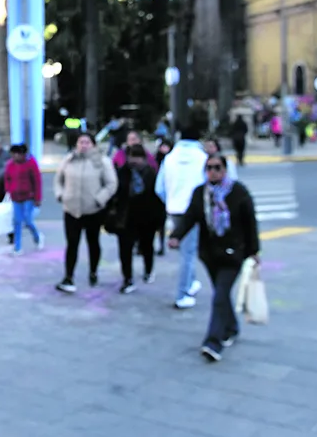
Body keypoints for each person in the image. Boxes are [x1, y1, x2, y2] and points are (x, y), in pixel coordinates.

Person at [168, 154, 260, 362]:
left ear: (225, 170)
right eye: (209, 168)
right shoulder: (201, 193)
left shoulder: (238, 192)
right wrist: (176, 236)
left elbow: (250, 223)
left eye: (217, 167)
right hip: (210, 254)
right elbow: (190, 217)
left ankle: (213, 342)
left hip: (233, 254)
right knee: (222, 294)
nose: (213, 172)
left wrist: (254, 251)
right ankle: (231, 327)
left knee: (219, 295)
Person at [54, 133, 117, 293]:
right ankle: (68, 277)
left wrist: (99, 199)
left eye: (87, 142)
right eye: (80, 142)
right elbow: (58, 180)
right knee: (72, 244)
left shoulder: (102, 161)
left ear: (93, 145)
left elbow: (111, 184)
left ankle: (93, 272)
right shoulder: (69, 160)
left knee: (93, 242)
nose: (83, 145)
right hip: (71, 209)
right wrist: (61, 195)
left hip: (93, 210)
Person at [155, 120, 208, 309]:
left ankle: (191, 283)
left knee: (186, 252)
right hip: (193, 211)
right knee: (189, 253)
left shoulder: (170, 157)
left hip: (175, 208)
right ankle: (182, 293)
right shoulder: (202, 158)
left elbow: (159, 188)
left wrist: (170, 202)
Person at [111, 144, 165, 294]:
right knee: (125, 249)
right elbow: (115, 194)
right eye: (131, 156)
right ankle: (127, 279)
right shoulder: (122, 173)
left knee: (147, 246)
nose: (133, 160)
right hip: (126, 217)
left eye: (137, 157)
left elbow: (158, 199)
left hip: (147, 217)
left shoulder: (151, 174)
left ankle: (148, 270)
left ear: (143, 158)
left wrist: (159, 220)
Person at [3, 144, 43, 255]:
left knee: (28, 220)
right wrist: (9, 190)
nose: (15, 156)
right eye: (13, 154)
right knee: (17, 221)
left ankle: (37, 236)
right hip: (16, 197)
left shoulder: (31, 164)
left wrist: (37, 198)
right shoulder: (10, 165)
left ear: (23, 154)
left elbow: (37, 181)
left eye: (17, 154)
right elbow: (7, 178)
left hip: (28, 196)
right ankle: (17, 246)